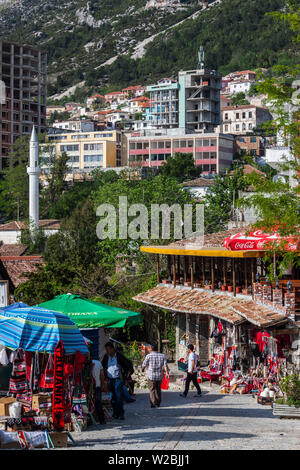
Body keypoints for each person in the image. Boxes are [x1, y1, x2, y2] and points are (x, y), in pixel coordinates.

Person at [102, 341, 134, 420]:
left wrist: (127, 374)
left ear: (112, 349)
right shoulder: (106, 357)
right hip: (110, 380)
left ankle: (121, 413)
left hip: (118, 379)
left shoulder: (119, 356)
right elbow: (102, 367)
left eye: (108, 349)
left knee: (119, 396)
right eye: (106, 350)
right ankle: (115, 413)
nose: (107, 351)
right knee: (113, 397)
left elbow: (128, 364)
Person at [142, 344, 169, 408]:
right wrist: (167, 373)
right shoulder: (162, 356)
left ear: (151, 349)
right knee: (158, 389)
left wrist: (143, 369)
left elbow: (144, 364)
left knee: (152, 389)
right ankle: (158, 403)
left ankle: (153, 403)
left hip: (151, 376)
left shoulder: (148, 356)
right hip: (159, 376)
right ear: (158, 349)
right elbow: (165, 365)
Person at [92, 359, 106, 424]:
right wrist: (102, 384)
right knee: (98, 403)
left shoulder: (85, 363)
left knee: (93, 403)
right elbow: (102, 375)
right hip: (97, 386)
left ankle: (94, 419)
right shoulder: (98, 363)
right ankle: (101, 420)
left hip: (89, 386)